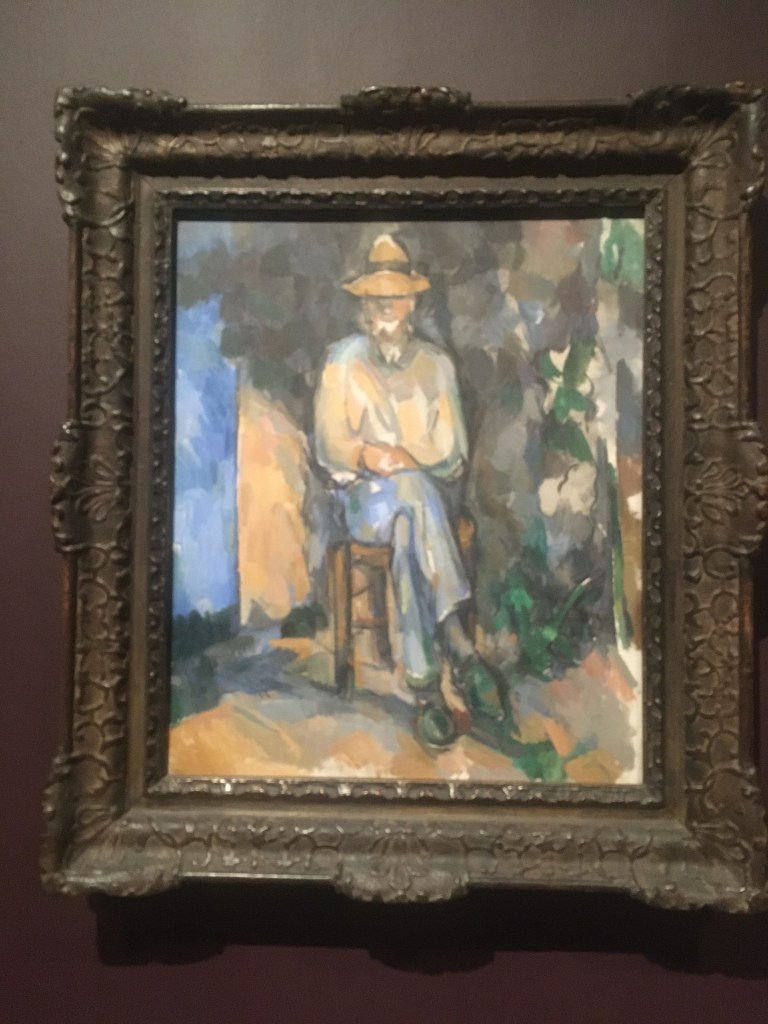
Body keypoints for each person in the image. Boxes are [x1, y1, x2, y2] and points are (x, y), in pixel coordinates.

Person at [314, 234, 507, 748]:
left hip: (419, 509)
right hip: (362, 502)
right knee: (411, 496)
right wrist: (368, 456)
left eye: (395, 297)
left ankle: (424, 690)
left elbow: (454, 454)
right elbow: (329, 446)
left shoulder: (436, 366)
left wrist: (404, 460)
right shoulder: (341, 361)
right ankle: (460, 647)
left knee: (409, 521)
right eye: (376, 298)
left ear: (411, 304)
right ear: (363, 305)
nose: (385, 307)